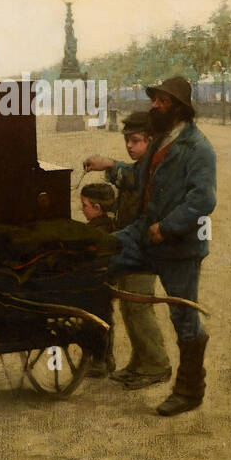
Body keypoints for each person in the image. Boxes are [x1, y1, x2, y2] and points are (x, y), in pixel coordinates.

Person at [97, 76, 215, 416]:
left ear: (178, 108)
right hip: (142, 235)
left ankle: (189, 389)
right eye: (155, 100)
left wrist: (167, 227)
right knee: (98, 258)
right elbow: (137, 178)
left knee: (184, 317)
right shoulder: (162, 138)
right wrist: (111, 167)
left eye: (161, 101)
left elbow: (203, 199)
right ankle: (100, 354)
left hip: (179, 248)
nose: (155, 105)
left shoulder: (198, 148)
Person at [84, 110, 171, 389]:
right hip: (132, 246)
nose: (130, 147)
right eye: (127, 141)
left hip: (145, 250)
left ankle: (157, 364)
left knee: (140, 306)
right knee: (130, 307)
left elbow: (131, 177)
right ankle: (139, 361)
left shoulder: (153, 167)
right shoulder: (141, 165)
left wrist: (108, 163)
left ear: (151, 140)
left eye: (135, 141)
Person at [79, 181, 119, 377]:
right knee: (107, 319)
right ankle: (106, 358)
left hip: (94, 285)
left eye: (85, 205)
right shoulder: (112, 226)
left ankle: (98, 363)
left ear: (97, 208)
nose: (82, 209)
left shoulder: (94, 232)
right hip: (107, 283)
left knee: (94, 322)